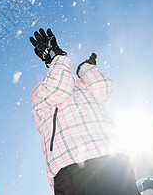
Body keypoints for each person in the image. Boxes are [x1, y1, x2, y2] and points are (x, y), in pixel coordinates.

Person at [29, 28, 140, 195]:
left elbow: (102, 86)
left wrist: (86, 68)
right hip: (71, 165)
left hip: (112, 159)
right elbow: (59, 86)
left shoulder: (85, 90)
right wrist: (56, 57)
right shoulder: (40, 94)